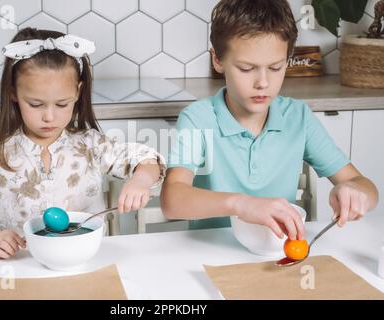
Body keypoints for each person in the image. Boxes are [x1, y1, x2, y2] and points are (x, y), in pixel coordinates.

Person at [161, 0, 379, 241]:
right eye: (246, 69)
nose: (263, 83)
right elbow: (173, 200)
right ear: (218, 61)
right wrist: (242, 205)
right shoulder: (198, 119)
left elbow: (366, 187)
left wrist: (355, 191)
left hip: (276, 252)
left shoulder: (298, 117)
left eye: (275, 68)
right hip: (211, 251)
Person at [0, 27, 166, 259]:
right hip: (20, 267)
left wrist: (141, 179)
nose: (49, 117)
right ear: (13, 93)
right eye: (35, 104)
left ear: (78, 92)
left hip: (84, 265)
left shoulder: (90, 146)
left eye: (62, 104)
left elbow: (146, 159)